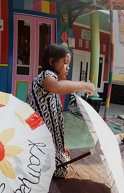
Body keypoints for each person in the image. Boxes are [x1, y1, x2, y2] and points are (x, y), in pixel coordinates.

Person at [26, 43, 95, 178]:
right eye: (65, 62)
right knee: (61, 168)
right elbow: (57, 86)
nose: (68, 67)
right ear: (52, 61)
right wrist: (85, 85)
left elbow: (54, 119)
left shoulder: (51, 84)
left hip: (48, 142)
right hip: (37, 142)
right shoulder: (45, 76)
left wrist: (61, 143)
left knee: (63, 163)